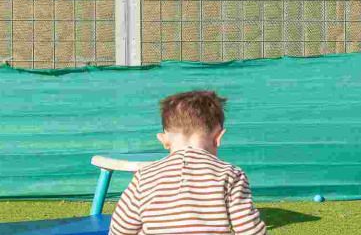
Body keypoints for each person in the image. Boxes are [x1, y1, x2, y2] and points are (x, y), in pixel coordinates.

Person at [109, 90, 266, 235]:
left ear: (164, 140)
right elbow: (250, 229)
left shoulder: (145, 176)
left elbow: (120, 228)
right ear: (219, 137)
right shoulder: (231, 174)